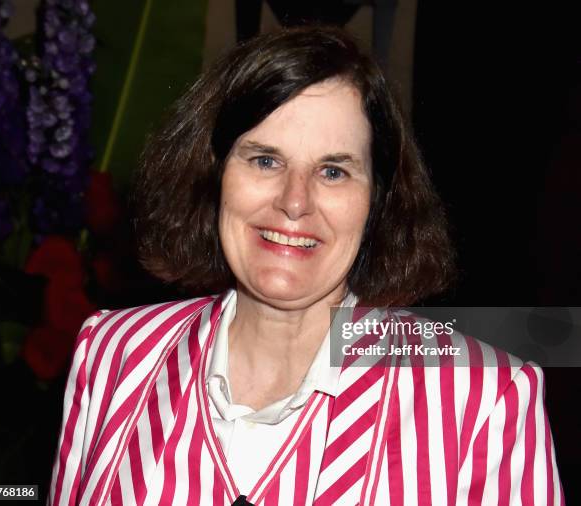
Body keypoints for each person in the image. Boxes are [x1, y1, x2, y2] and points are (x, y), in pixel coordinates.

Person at [47, 26, 564, 505]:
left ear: (378, 201)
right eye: (265, 160)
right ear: (212, 174)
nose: (296, 201)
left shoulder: (483, 398)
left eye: (334, 171)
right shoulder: (112, 353)